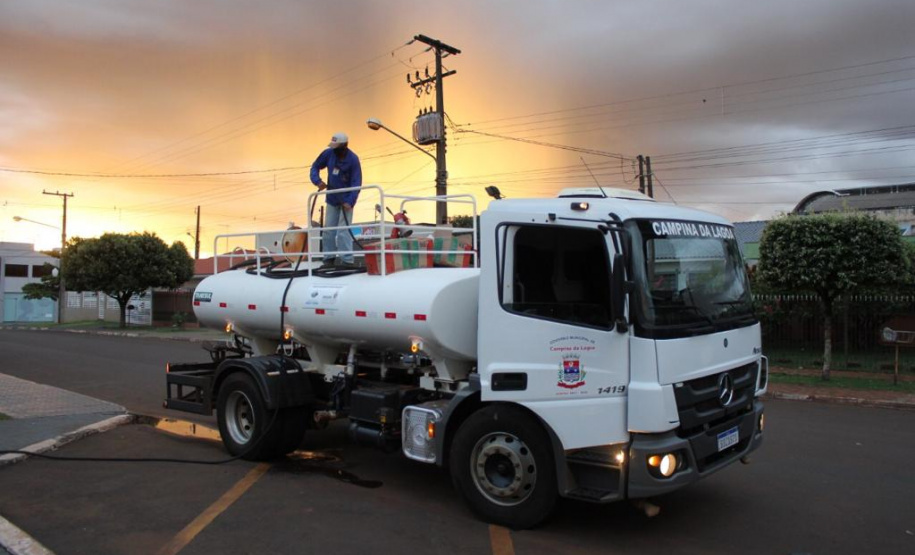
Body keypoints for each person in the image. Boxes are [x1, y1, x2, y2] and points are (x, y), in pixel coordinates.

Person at [310, 132, 362, 267]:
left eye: (337, 147)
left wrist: (350, 201)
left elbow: (356, 182)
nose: (334, 150)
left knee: (344, 231)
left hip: (346, 201)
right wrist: (318, 181)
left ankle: (347, 260)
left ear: (344, 146)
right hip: (332, 198)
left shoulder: (353, 160)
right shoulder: (328, 154)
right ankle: (328, 258)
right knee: (328, 230)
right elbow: (315, 167)